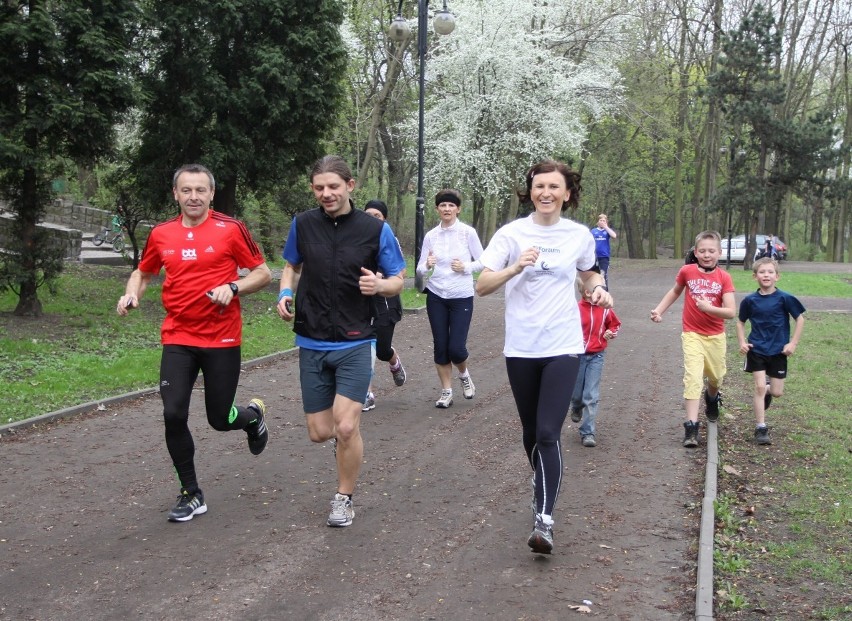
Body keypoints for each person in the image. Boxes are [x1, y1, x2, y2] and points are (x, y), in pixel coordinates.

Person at [116, 164, 272, 522]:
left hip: (222, 337)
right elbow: (144, 271)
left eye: (200, 190)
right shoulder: (161, 233)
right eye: (186, 190)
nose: (194, 197)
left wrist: (233, 287)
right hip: (178, 337)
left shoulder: (231, 230)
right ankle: (191, 493)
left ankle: (251, 417)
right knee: (173, 413)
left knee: (220, 418)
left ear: (211, 194)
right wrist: (131, 294)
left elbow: (263, 273)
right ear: (176, 194)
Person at [475, 159, 613, 555]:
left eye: (554, 187)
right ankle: (542, 487)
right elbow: (482, 285)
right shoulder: (511, 233)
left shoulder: (579, 235)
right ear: (530, 191)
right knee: (531, 434)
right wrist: (516, 266)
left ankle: (544, 519)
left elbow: (589, 274)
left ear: (567, 193)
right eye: (539, 187)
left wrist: (597, 289)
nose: (546, 193)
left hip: (563, 345)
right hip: (520, 347)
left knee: (549, 432)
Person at [276, 156, 405, 528]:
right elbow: (291, 265)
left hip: (355, 339)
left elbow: (398, 278)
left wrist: (380, 285)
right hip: (312, 338)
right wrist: (285, 292)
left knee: (347, 427)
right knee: (321, 432)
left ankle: (344, 497)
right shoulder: (302, 224)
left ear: (350, 185)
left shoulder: (374, 229)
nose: (326, 194)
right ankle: (343, 446)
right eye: (319, 188)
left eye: (333, 186)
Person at [650, 230, 736, 448]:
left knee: (716, 377)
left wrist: (710, 308)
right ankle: (691, 427)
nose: (707, 255)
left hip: (715, 336)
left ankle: (712, 397)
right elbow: (674, 292)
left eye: (711, 251)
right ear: (695, 252)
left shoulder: (724, 277)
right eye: (703, 251)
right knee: (693, 378)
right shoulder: (687, 272)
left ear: (719, 253)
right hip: (692, 334)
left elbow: (731, 312)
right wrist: (659, 310)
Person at [415, 189, 484, 408]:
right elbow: (419, 269)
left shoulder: (467, 232)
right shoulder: (431, 236)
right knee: (440, 346)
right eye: (443, 205)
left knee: (456, 348)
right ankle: (446, 391)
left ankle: (463, 374)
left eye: (451, 205)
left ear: (458, 209)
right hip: (436, 295)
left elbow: (483, 262)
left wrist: (465, 267)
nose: (447, 209)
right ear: (437, 209)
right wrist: (426, 265)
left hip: (461, 295)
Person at [735, 258, 805, 445]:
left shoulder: (785, 298)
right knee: (758, 387)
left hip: (778, 351)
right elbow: (740, 322)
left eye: (770, 272)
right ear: (754, 276)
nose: (766, 275)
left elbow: (800, 319)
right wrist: (742, 342)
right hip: (756, 349)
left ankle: (767, 389)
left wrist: (793, 344)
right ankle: (761, 427)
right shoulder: (749, 300)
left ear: (777, 276)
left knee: (776, 392)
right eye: (762, 272)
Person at [362, 199, 407, 412]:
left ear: (384, 219)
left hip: (386, 303)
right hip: (362, 303)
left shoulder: (389, 238)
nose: (371, 219)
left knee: (380, 350)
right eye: (367, 215)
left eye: (376, 216)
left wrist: (381, 277)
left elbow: (402, 273)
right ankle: (367, 394)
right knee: (364, 349)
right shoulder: (355, 239)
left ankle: (394, 360)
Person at [570, 280, 622, 448]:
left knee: (591, 395)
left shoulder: (605, 309)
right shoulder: (575, 309)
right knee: (577, 393)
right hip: (577, 356)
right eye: (587, 288)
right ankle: (576, 406)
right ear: (584, 291)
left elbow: (615, 324)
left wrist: (610, 333)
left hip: (596, 356)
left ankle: (588, 432)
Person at [590, 213, 617, 288]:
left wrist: (606, 227)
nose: (602, 222)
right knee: (595, 274)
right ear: (598, 222)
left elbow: (614, 236)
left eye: (604, 221)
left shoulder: (607, 231)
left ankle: (605, 291)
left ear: (606, 222)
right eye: (601, 220)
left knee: (603, 274)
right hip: (594, 257)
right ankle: (595, 290)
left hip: (604, 257)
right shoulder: (593, 231)